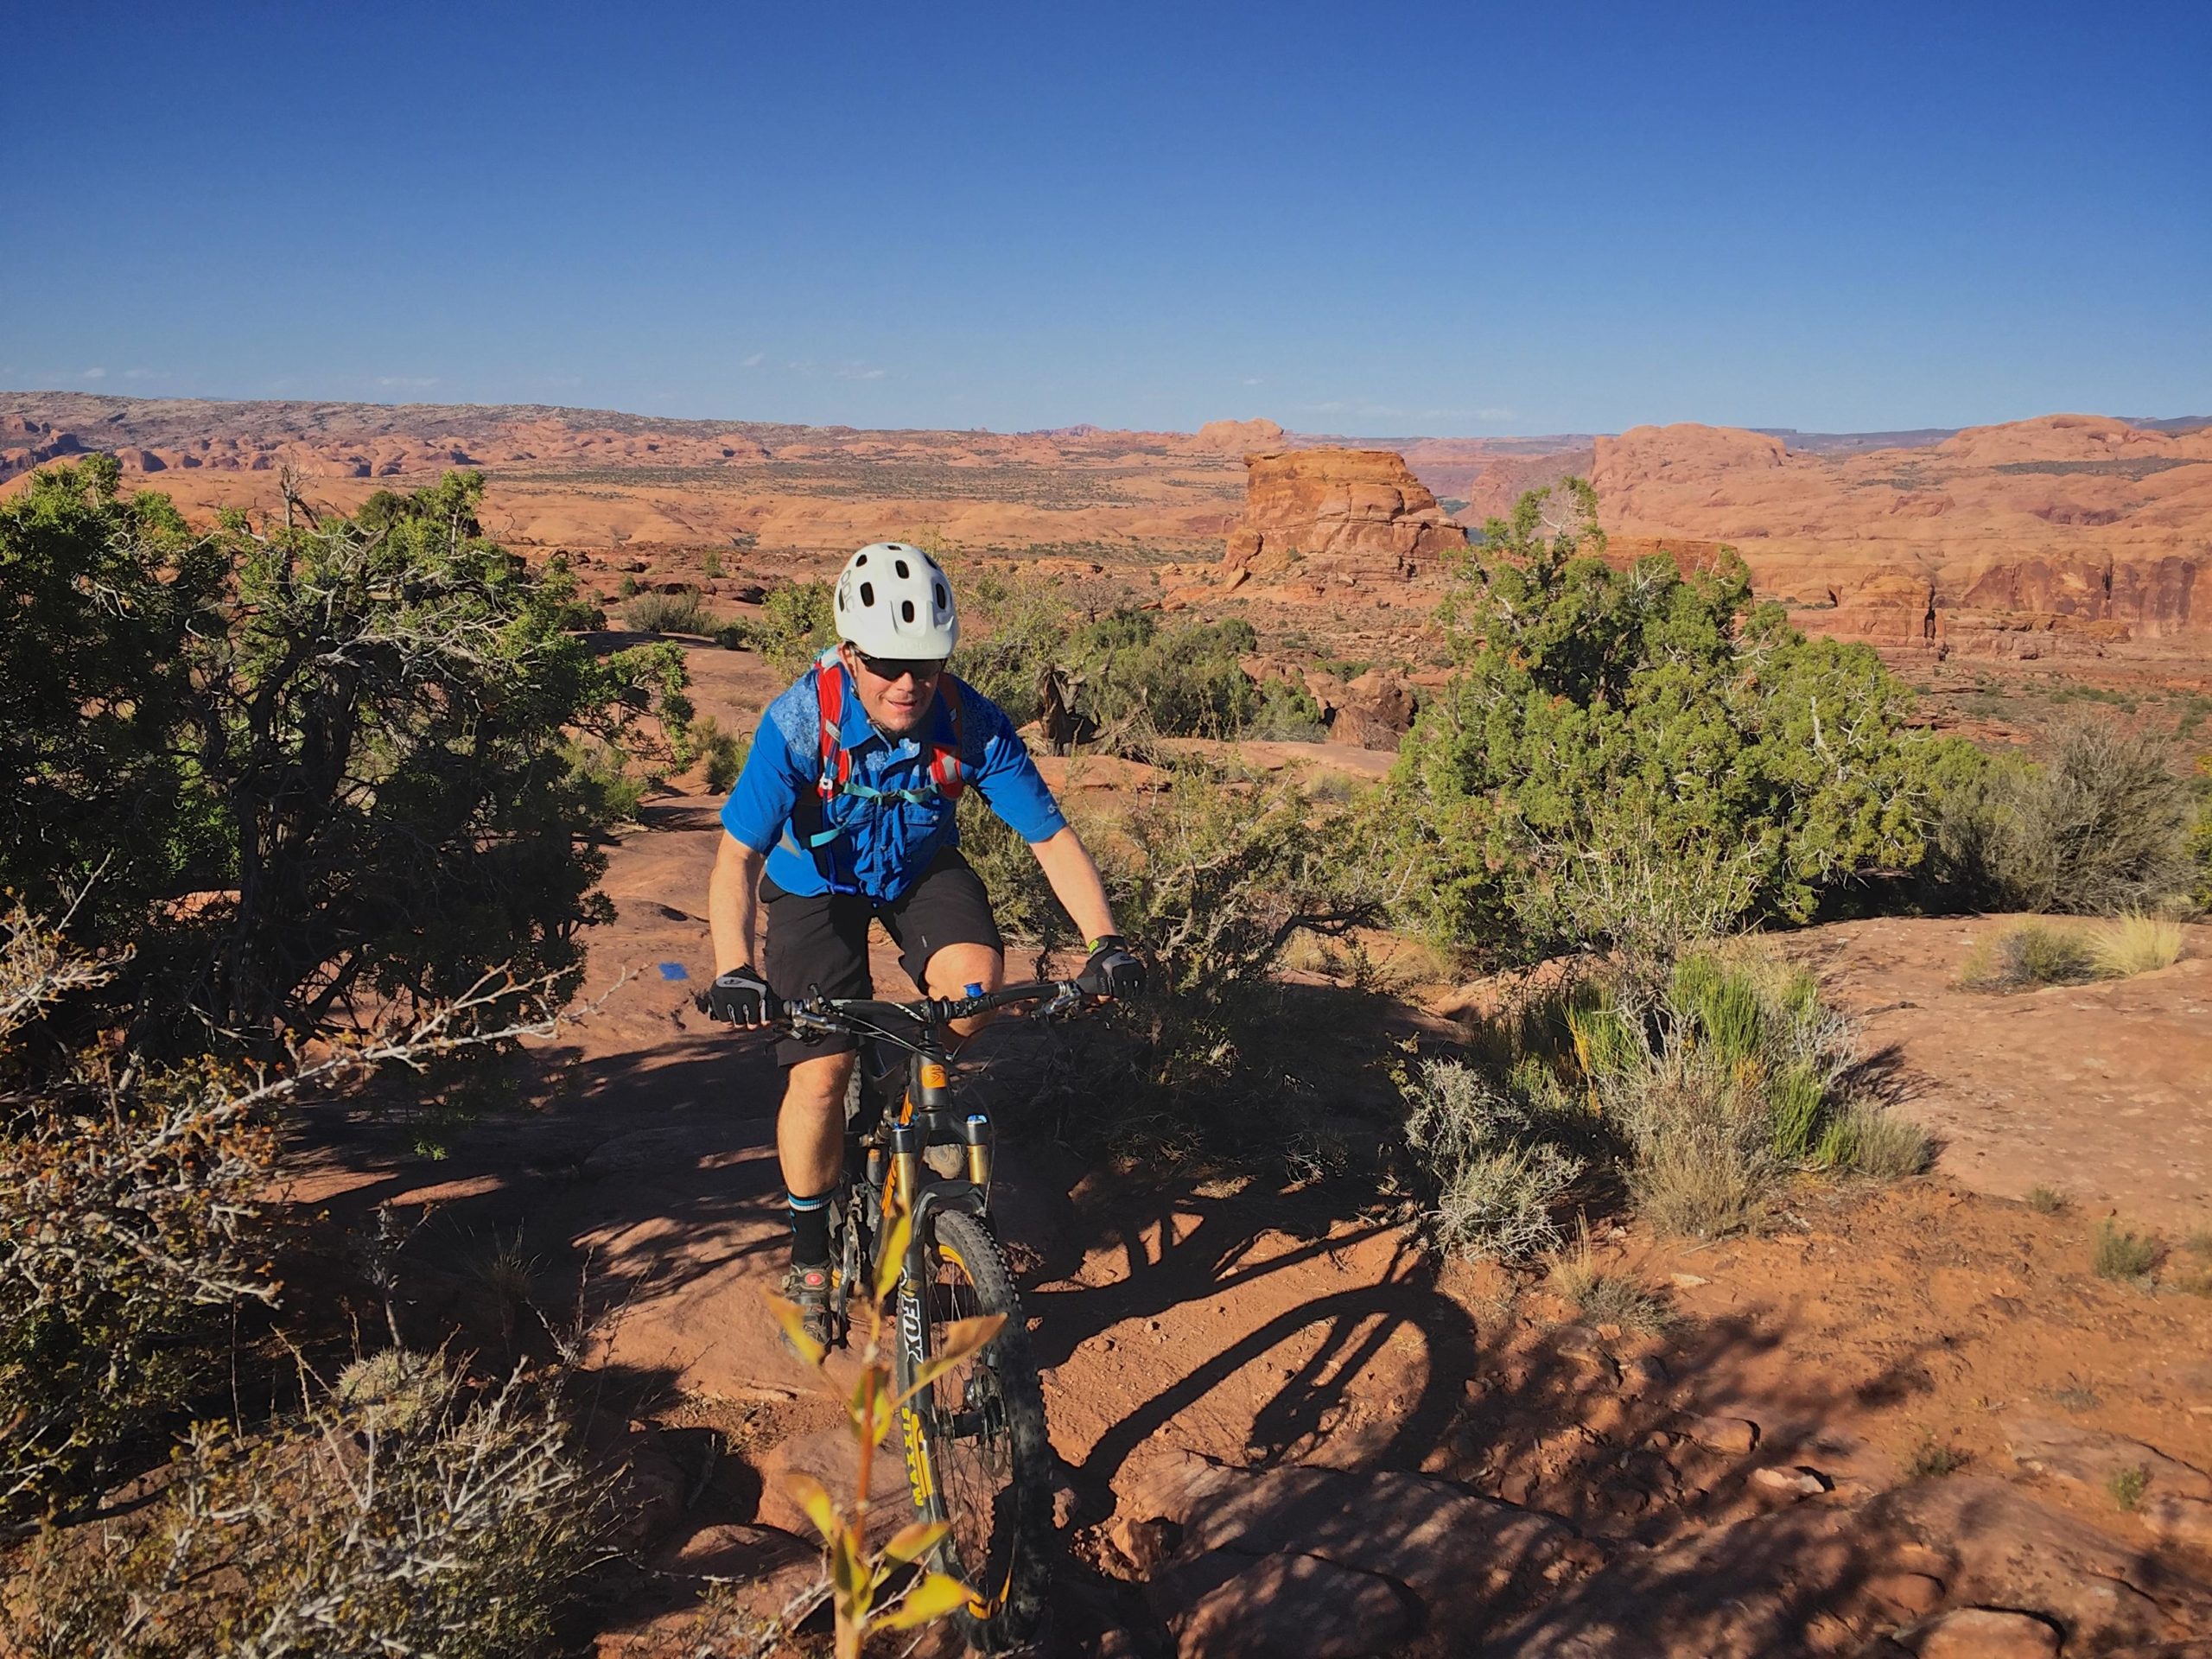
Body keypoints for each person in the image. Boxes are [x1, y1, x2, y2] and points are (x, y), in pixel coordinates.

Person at [696, 542, 1143, 1344]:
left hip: (916, 870)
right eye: (889, 665)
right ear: (849, 653)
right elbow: (737, 856)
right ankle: (810, 1256)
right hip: (813, 887)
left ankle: (906, 1085)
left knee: (973, 990)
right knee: (821, 1074)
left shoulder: (972, 723)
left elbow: (1052, 839)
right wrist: (734, 967)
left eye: (927, 665)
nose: (908, 684)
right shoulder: (799, 723)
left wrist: (1106, 941)